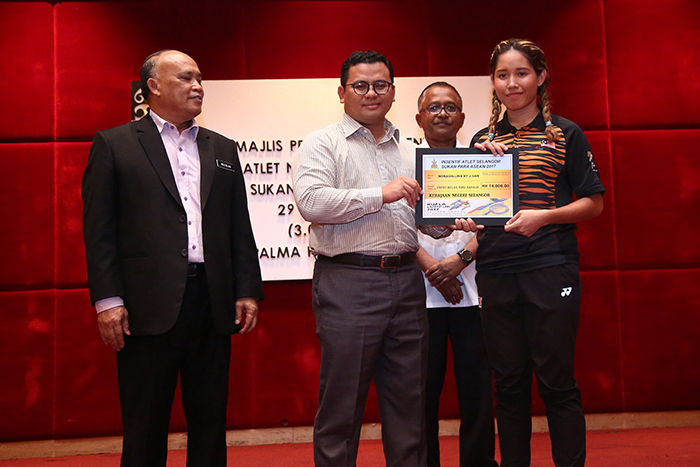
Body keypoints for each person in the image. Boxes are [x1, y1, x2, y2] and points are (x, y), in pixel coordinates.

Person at [293, 51, 478, 467]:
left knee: (409, 404)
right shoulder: (322, 142)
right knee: (342, 406)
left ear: (393, 92)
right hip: (348, 282)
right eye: (360, 85)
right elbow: (312, 202)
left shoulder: (409, 151)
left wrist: (455, 219)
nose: (371, 93)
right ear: (342, 92)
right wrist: (381, 194)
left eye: (380, 85)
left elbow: (421, 221)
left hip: (407, 283)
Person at [82, 49, 264, 467]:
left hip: (212, 303)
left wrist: (246, 289)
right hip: (145, 306)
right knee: (145, 424)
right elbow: (99, 230)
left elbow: (238, 224)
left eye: (199, 78)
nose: (197, 86)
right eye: (185, 78)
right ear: (154, 87)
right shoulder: (114, 144)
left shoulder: (222, 147)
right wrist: (108, 300)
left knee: (210, 421)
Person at [468, 39, 605, 467]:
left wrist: (543, 217)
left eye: (522, 73)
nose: (512, 83)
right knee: (508, 386)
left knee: (556, 382)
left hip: (550, 268)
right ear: (493, 82)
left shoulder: (565, 133)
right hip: (495, 272)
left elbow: (594, 203)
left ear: (541, 77)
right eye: (502, 75)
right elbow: (471, 211)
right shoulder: (481, 140)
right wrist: (464, 217)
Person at [414, 82, 498, 467]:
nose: (442, 114)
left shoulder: (483, 162)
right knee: (421, 396)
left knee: (477, 392)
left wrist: (461, 260)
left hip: (473, 293)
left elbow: (497, 221)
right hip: (419, 296)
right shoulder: (404, 165)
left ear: (462, 118)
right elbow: (395, 227)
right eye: (434, 108)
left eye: (451, 107)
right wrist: (433, 269)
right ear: (419, 118)